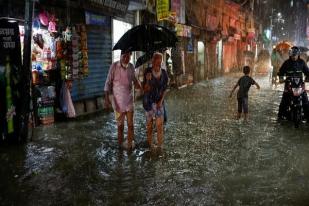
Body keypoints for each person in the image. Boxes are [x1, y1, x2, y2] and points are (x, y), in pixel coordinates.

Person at [104, 50, 142, 150]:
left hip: (129, 100)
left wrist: (140, 84)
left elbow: (135, 80)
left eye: (128, 56)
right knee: (120, 127)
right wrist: (107, 99)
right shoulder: (114, 66)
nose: (126, 58)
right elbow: (108, 82)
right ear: (121, 56)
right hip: (118, 103)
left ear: (130, 56)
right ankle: (120, 146)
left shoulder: (131, 67)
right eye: (124, 56)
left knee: (130, 125)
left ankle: (129, 145)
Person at [143, 52, 168, 149]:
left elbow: (165, 89)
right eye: (156, 60)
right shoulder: (147, 71)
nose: (158, 63)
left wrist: (161, 101)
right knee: (149, 127)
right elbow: (145, 89)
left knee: (159, 126)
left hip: (159, 103)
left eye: (159, 61)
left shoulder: (164, 73)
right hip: (148, 103)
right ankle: (150, 146)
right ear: (152, 61)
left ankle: (160, 147)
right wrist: (148, 80)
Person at [277, 46, 309, 121]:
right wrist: (281, 79)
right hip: (289, 84)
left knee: (305, 100)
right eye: (292, 55)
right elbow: (281, 72)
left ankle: (307, 117)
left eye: (295, 55)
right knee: (284, 100)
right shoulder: (286, 63)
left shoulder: (302, 63)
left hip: (300, 85)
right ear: (290, 55)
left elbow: (307, 72)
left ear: (298, 55)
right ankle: (280, 116)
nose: (294, 57)